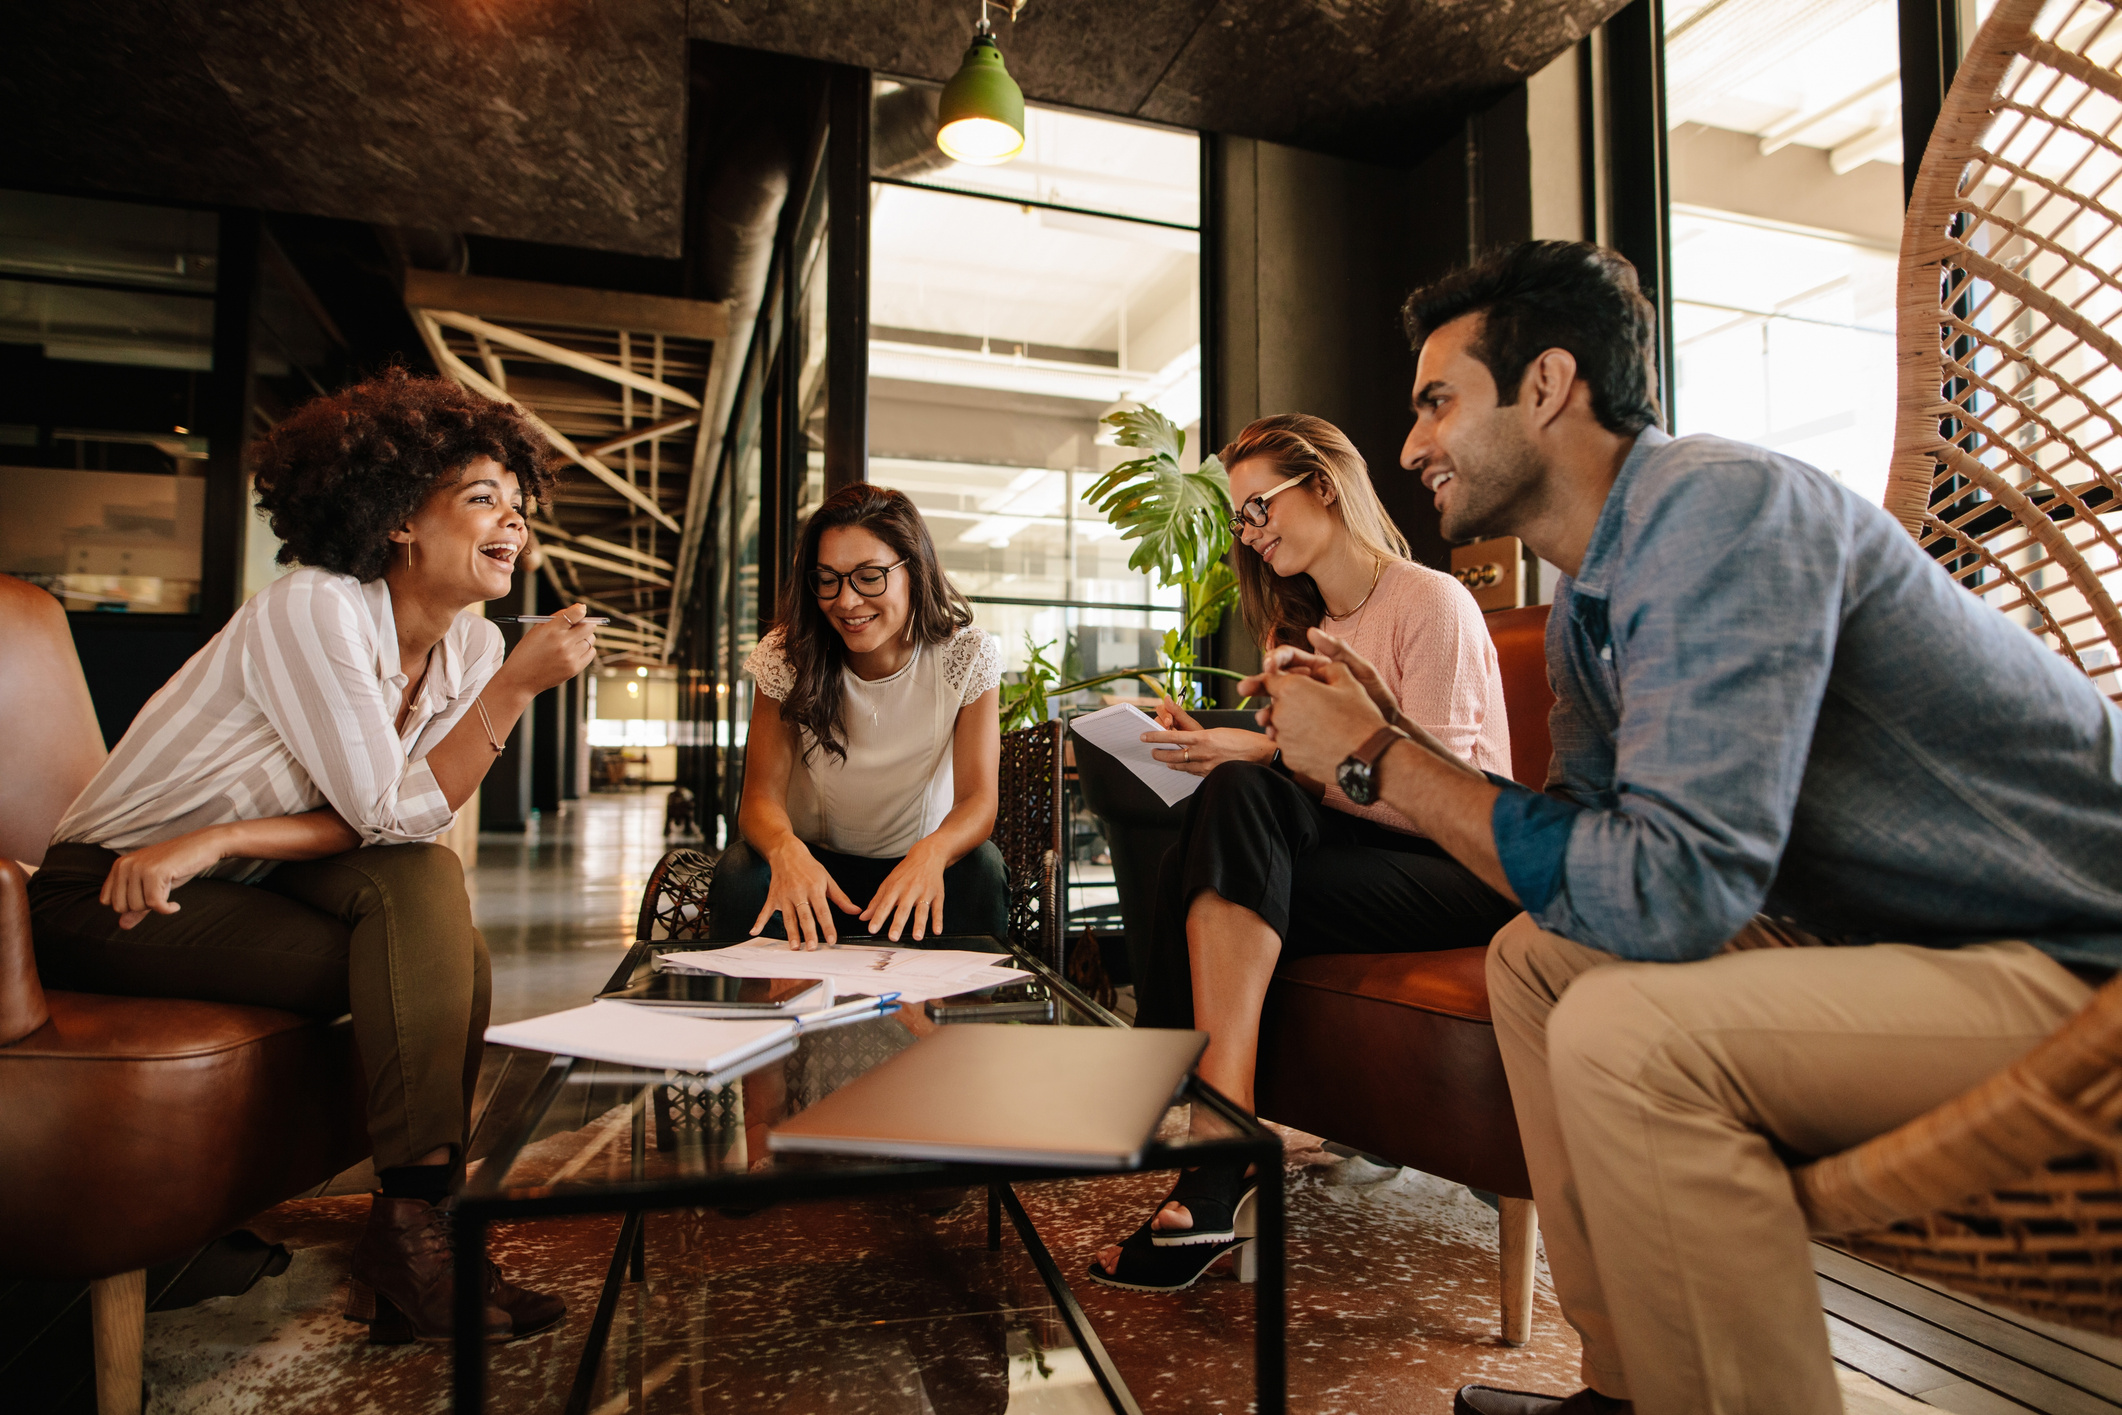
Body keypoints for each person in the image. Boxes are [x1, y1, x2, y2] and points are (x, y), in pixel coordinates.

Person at [1245, 240, 2122, 1415]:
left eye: (1436, 401)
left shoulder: (1720, 506)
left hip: (2081, 968)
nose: (1407, 449)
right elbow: (1588, 876)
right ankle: (1626, 1384)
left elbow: (1672, 893)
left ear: (1547, 385)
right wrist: (1400, 737)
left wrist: (1379, 762)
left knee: (1630, 1034)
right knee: (1538, 962)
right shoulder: (1590, 612)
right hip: (1908, 959)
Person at [27, 368, 594, 1344]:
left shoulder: (466, 646)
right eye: (481, 497)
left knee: (429, 896)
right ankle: (417, 1243)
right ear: (397, 519)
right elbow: (388, 807)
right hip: (105, 892)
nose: (513, 523)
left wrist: (220, 837)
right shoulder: (319, 607)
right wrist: (515, 694)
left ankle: (416, 1231)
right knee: (437, 960)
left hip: (231, 873)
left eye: (517, 501)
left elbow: (396, 823)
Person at [1089, 413, 1517, 1293]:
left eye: (1259, 505)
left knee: (1240, 797)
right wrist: (1221, 738)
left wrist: (1271, 755)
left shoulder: (1430, 600)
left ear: (1323, 483)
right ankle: (1222, 1140)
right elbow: (1299, 784)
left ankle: (1212, 1149)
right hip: (1369, 858)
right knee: (1225, 811)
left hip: (1462, 864)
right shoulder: (1303, 628)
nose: (1251, 531)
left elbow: (1445, 794)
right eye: (1242, 519)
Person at [707, 483, 1006, 948]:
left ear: (914, 570)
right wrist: (787, 850)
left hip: (916, 866)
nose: (845, 601)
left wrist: (934, 852)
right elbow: (760, 798)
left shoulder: (966, 656)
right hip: (815, 870)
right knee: (740, 874)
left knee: (982, 869)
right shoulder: (788, 656)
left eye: (869, 576)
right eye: (827, 579)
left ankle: (958, 1017)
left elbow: (978, 801)